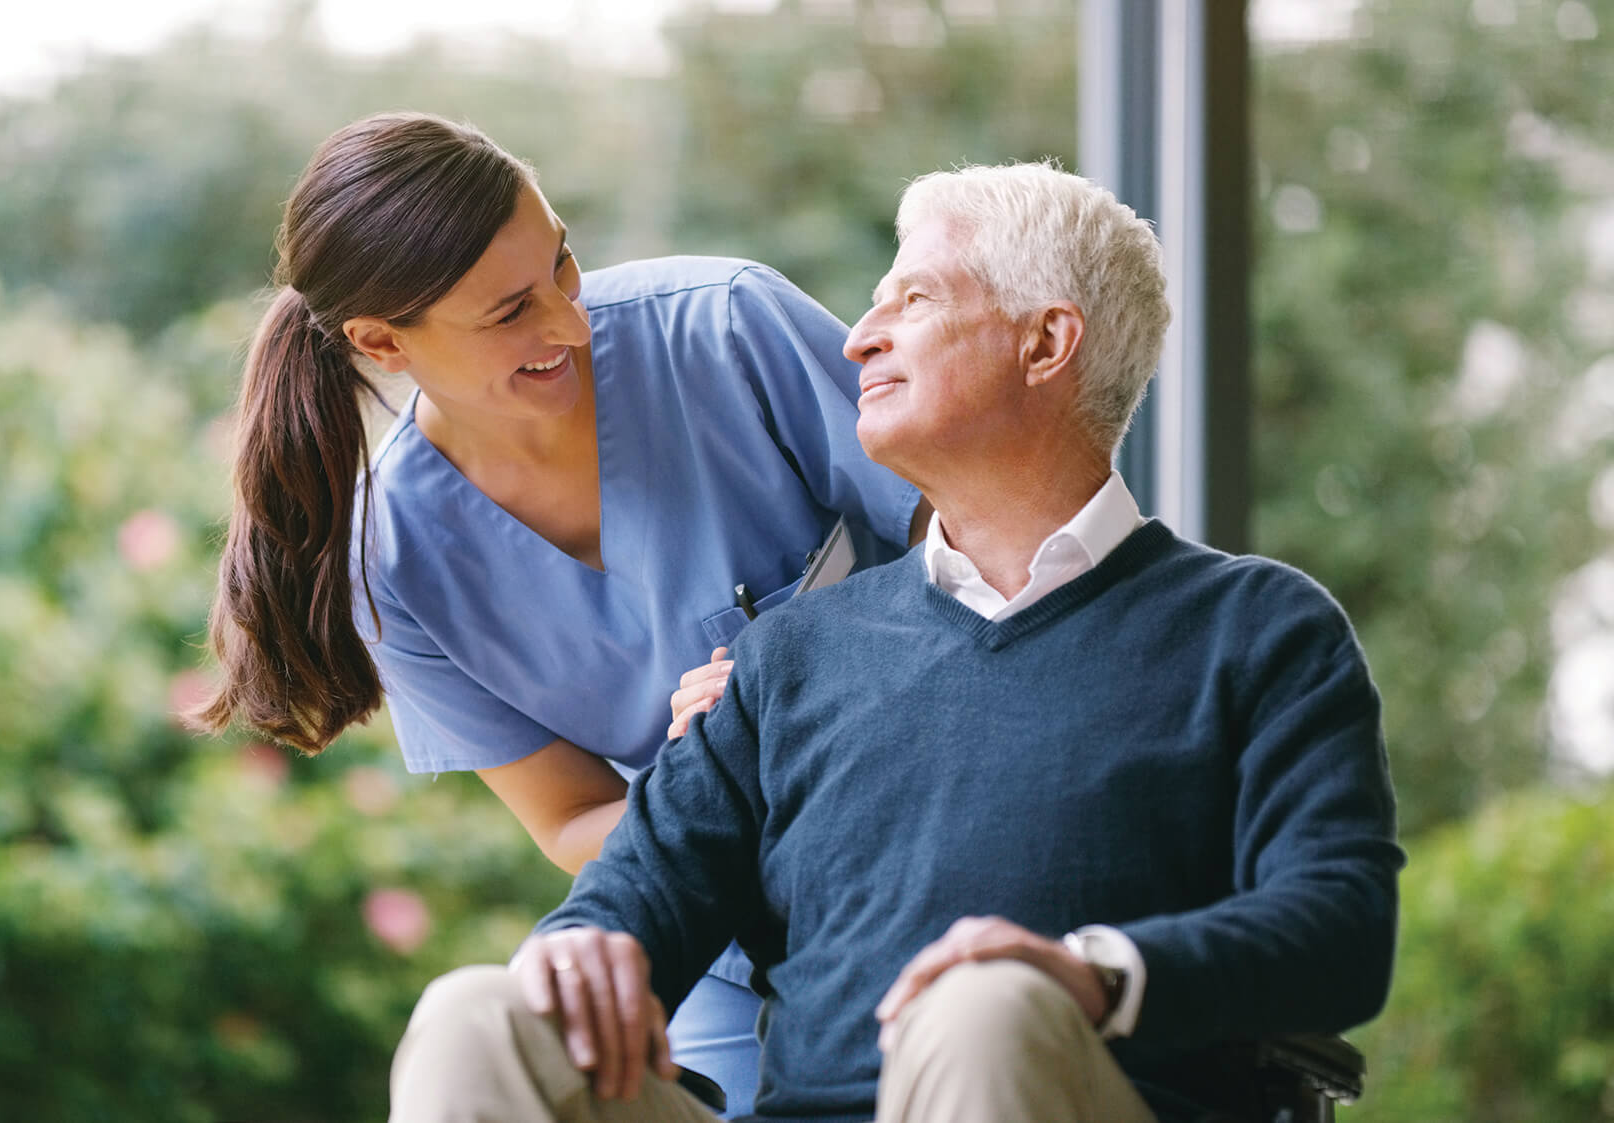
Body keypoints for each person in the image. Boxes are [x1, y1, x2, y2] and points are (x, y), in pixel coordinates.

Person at [385, 161, 1404, 1123]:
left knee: (985, 1007)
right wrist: (576, 949)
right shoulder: (787, 660)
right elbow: (632, 896)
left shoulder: (1257, 629)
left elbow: (1340, 928)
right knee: (476, 1018)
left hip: (1071, 1088)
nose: (857, 337)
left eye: (911, 301)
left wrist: (1090, 975)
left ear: (1044, 345)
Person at [188, 112, 927, 1115]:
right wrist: (731, 800)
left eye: (563, 268)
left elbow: (986, 545)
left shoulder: (727, 329)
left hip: (931, 852)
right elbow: (572, 815)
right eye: (507, 314)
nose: (567, 323)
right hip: (713, 945)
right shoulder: (395, 565)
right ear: (380, 342)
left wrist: (808, 686)